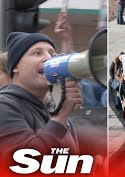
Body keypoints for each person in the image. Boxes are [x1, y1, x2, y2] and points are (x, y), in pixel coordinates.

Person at [0, 32, 81, 163]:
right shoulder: (4, 107)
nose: (48, 58)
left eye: (52, 54)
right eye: (37, 53)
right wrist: (60, 118)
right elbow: (26, 162)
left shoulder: (57, 113)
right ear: (15, 66)